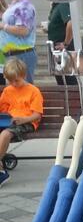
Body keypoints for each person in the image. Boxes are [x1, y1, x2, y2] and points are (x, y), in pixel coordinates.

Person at [0, 57, 43, 187]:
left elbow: (37, 115)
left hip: (27, 122)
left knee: (6, 134)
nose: (13, 83)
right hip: (10, 121)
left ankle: (1, 171)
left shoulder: (33, 91)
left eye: (16, 80)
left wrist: (24, 119)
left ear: (23, 75)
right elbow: (3, 109)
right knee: (6, 132)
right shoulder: (8, 90)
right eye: (10, 80)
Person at [0, 0, 37, 85]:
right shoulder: (15, 5)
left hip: (21, 56)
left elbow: (23, 30)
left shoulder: (24, 6)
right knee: (13, 93)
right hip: (12, 56)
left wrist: (3, 26)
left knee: (23, 92)